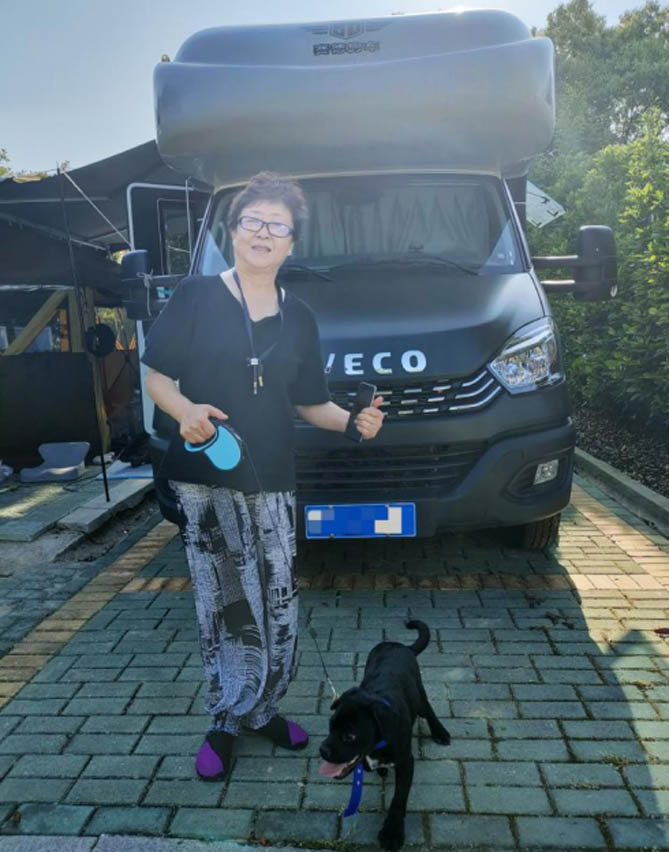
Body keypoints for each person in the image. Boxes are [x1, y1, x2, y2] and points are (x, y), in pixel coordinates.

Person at [141, 172, 384, 781]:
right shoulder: (196, 295)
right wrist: (184, 410)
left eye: (278, 225)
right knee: (225, 606)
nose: (263, 233)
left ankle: (262, 710)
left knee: (278, 606)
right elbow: (157, 377)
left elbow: (310, 403)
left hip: (273, 479)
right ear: (233, 230)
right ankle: (226, 718)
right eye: (253, 221)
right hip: (206, 478)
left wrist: (354, 423)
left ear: (292, 243)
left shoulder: (299, 317)